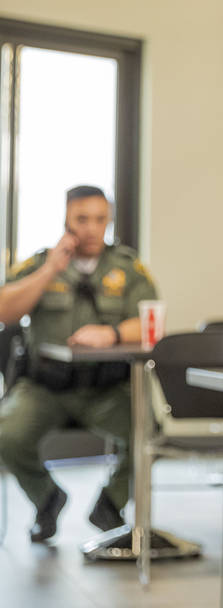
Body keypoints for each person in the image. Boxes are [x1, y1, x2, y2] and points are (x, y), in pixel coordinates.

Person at [0, 186, 157, 543]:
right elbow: (5, 310)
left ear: (109, 221)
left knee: (148, 431)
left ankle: (111, 503)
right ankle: (47, 499)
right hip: (45, 389)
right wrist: (51, 270)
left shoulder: (127, 268)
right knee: (5, 434)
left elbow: (151, 322)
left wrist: (113, 333)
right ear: (66, 220)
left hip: (105, 389)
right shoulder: (41, 263)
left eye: (100, 219)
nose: (91, 228)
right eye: (81, 219)